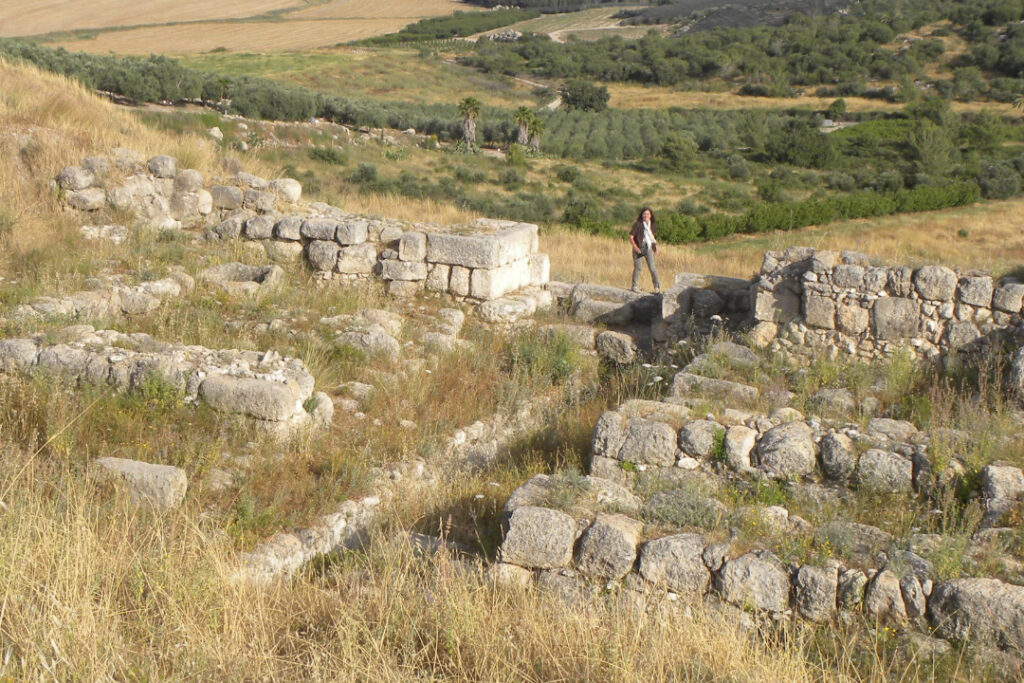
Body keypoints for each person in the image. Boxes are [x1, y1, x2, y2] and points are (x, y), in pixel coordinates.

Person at [629, 207, 661, 293]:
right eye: (644, 214)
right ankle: (634, 286)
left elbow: (652, 238)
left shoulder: (653, 225)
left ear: (650, 216)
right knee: (638, 267)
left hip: (648, 248)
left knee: (652, 268)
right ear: (641, 215)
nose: (646, 216)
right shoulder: (638, 224)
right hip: (639, 248)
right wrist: (636, 247)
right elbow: (631, 237)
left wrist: (655, 248)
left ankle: (656, 288)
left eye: (647, 214)